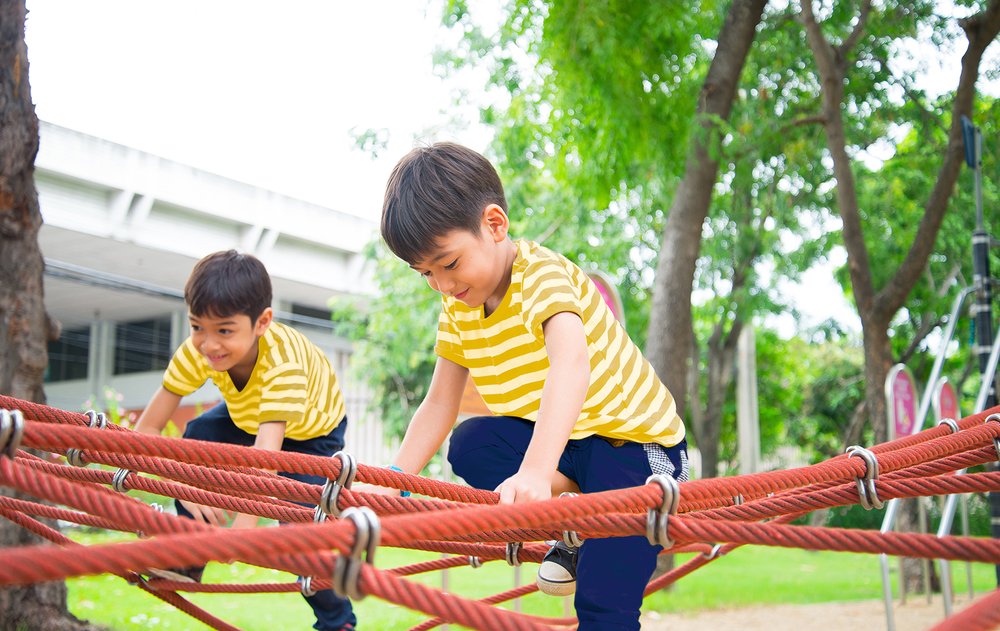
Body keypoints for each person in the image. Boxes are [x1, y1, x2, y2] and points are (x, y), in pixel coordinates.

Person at [378, 142, 689, 631]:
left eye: (449, 263)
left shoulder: (542, 276)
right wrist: (395, 479)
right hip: (570, 448)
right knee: (472, 443)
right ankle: (575, 521)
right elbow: (440, 402)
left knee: (603, 605)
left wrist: (536, 472)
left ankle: (582, 526)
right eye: (426, 274)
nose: (441, 285)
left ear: (495, 224)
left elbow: (571, 365)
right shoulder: (457, 308)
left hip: (633, 447)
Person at [133, 250, 357, 631]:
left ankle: (338, 621)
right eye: (197, 327)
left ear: (262, 322)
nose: (209, 344)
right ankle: (188, 559)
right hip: (250, 417)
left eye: (224, 330)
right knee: (199, 436)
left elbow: (265, 460)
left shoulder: (282, 362)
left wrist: (242, 532)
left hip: (313, 432)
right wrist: (183, 486)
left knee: (300, 533)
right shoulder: (198, 351)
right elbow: (148, 431)